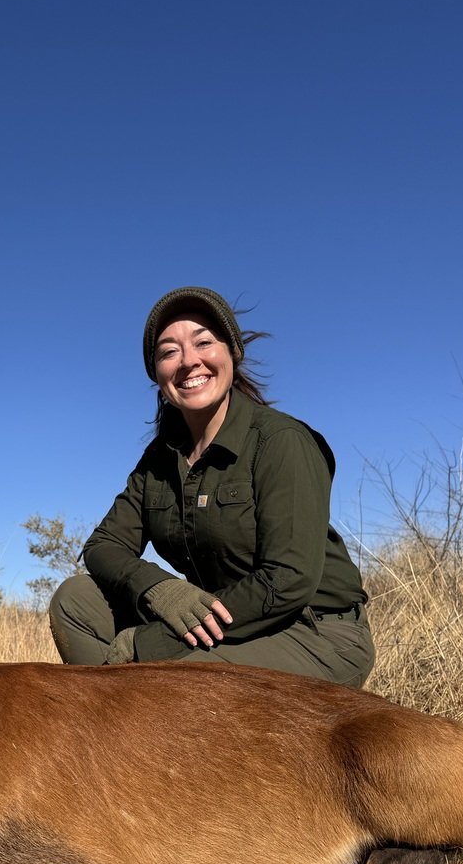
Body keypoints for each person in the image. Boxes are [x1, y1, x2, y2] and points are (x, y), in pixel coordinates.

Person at [48, 286, 374, 687]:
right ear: (157, 374)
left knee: (175, 680)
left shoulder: (281, 440)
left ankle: (136, 717)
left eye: (203, 342)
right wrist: (160, 589)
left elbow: (288, 581)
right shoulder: (159, 461)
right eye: (169, 352)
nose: (188, 361)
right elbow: (102, 546)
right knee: (75, 599)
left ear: (232, 353)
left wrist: (149, 644)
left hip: (313, 632)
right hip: (220, 625)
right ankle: (120, 729)